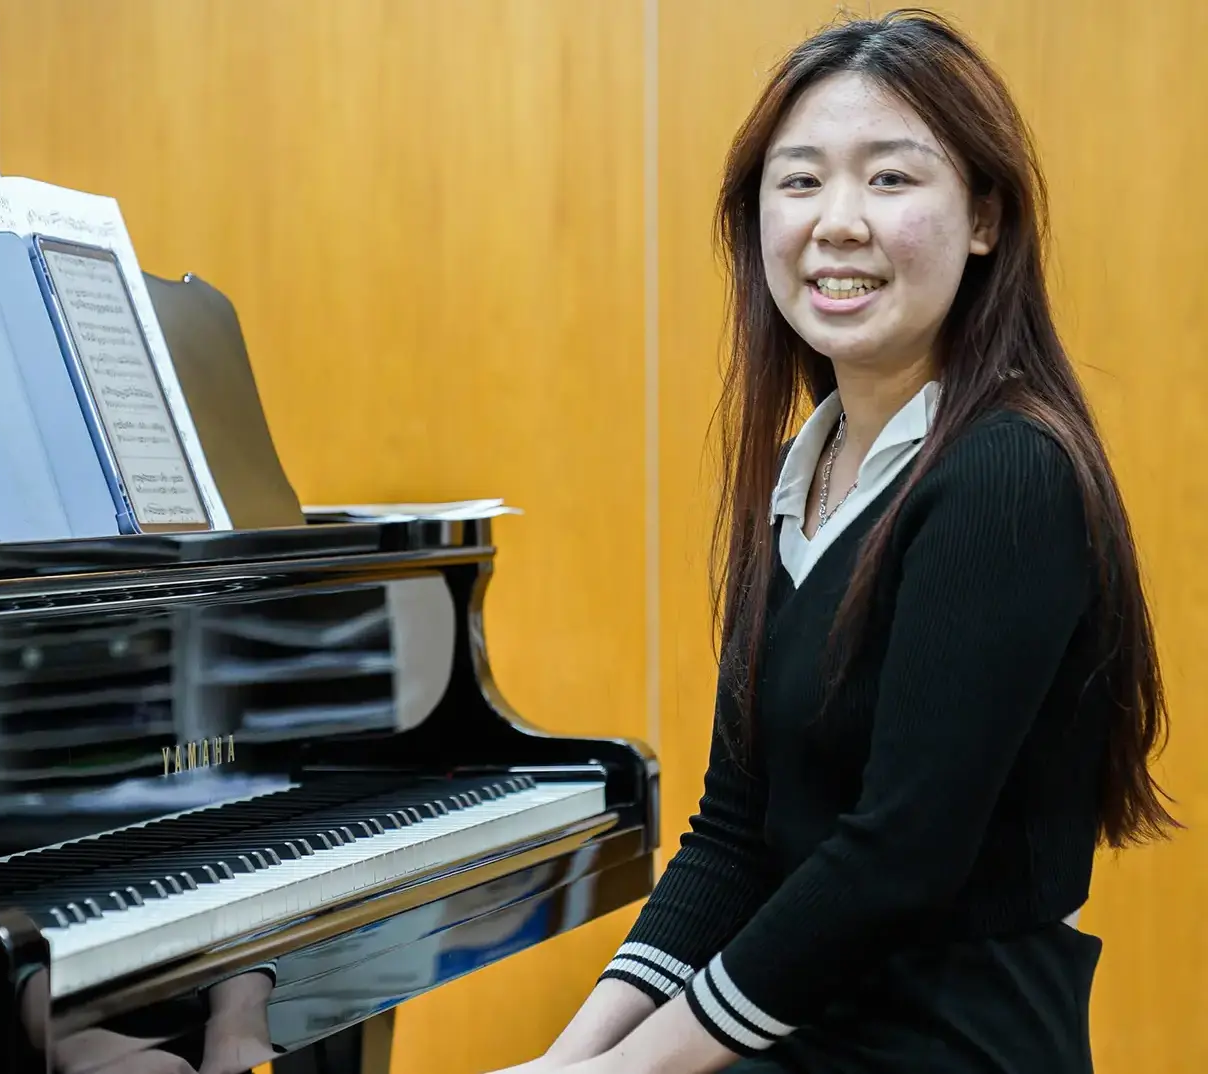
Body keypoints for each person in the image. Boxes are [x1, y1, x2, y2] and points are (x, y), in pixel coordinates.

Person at [488, 9, 1178, 1074]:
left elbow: (893, 861)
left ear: (985, 216)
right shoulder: (797, 480)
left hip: (942, 1042)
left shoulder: (1007, 473)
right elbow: (730, 837)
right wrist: (561, 1062)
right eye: (799, 181)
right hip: (804, 1026)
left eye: (891, 180)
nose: (837, 222)